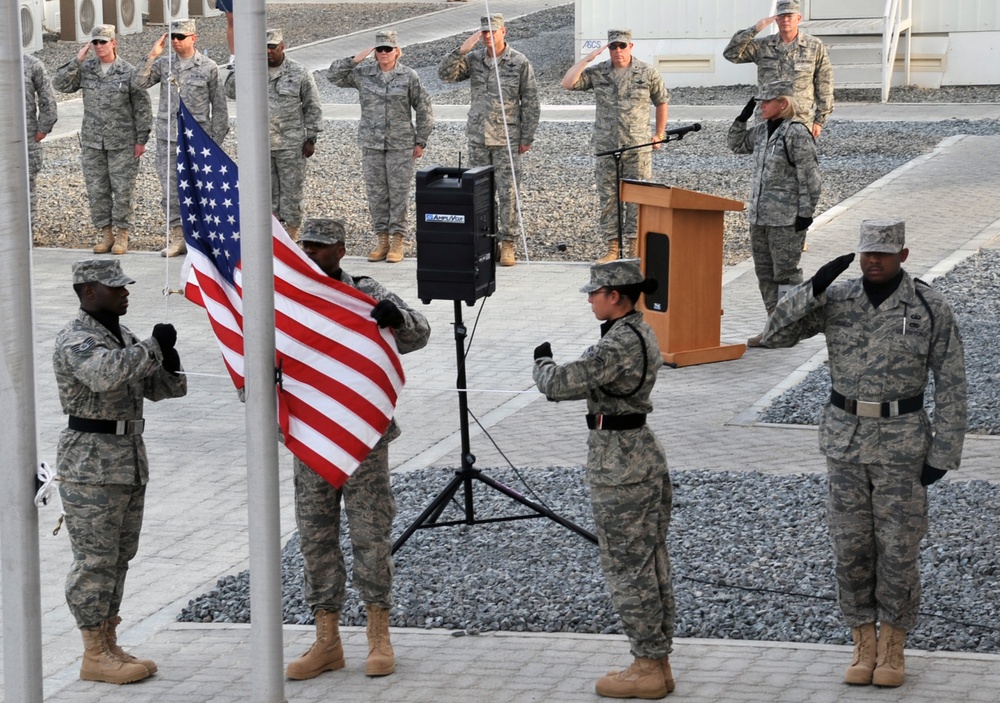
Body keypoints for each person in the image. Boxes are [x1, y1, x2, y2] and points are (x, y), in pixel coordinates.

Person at [761, 220, 967, 688]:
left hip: (902, 445)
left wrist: (944, 451)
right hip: (845, 441)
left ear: (903, 254)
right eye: (867, 252)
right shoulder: (838, 299)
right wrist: (811, 287)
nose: (873, 260)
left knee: (898, 549)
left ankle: (893, 647)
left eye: (884, 253)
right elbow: (773, 334)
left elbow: (952, 381)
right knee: (850, 548)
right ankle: (862, 644)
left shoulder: (929, 306)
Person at [287, 218, 430, 681]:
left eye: (322, 247)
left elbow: (419, 334)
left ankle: (378, 635)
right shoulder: (287, 296)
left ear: (342, 250)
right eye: (306, 245)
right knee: (316, 538)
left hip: (363, 435)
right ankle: (327, 640)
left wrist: (395, 319)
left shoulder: (363, 291)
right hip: (310, 435)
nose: (311, 253)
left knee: (370, 535)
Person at [533, 260, 675, 700]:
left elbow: (558, 384)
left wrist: (541, 360)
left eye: (594, 293)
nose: (590, 299)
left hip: (621, 465)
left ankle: (647, 664)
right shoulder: (638, 329)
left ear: (614, 295)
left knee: (627, 566)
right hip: (640, 454)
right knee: (650, 560)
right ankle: (657, 660)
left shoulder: (617, 343)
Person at [53, 259, 187, 684]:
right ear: (88, 291)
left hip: (127, 460)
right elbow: (104, 375)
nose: (126, 292)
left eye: (125, 286)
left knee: (119, 558)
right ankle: (93, 652)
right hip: (91, 463)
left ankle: (109, 642)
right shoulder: (76, 340)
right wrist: (151, 348)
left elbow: (163, 390)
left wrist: (168, 359)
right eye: (116, 288)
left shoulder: (122, 336)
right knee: (94, 560)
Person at [438, 13, 539, 267]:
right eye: (483, 32)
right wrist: (461, 50)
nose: (487, 36)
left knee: (508, 193)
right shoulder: (473, 60)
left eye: (492, 31)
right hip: (478, 138)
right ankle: (485, 243)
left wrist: (526, 136)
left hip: (507, 138)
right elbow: (445, 75)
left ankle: (508, 243)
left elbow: (531, 101)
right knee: (480, 194)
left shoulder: (518, 62)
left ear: (503, 32)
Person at [561, 29, 669, 264]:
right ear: (608, 49)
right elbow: (568, 83)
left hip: (636, 147)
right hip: (607, 146)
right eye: (613, 47)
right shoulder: (599, 72)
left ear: (631, 47)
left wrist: (659, 134)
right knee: (609, 198)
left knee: (638, 198)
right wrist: (588, 59)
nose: (618, 51)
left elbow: (661, 101)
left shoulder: (647, 72)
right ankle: (612, 248)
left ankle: (634, 247)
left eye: (622, 46)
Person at [727, 80, 821, 346]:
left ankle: (789, 328)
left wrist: (806, 213)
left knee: (786, 274)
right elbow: (736, 144)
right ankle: (774, 326)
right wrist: (741, 118)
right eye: (760, 103)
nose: (762, 107)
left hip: (785, 219)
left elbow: (811, 178)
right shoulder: (760, 132)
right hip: (760, 216)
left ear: (783, 103)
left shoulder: (796, 134)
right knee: (765, 274)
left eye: (766, 102)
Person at [328, 30, 434, 263]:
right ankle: (382, 239)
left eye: (388, 49)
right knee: (376, 193)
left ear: (397, 51)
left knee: (398, 193)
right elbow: (333, 76)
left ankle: (398, 240)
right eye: (380, 49)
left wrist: (421, 140)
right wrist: (355, 59)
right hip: (372, 143)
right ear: (374, 52)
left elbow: (424, 107)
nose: (384, 53)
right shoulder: (363, 73)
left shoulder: (408, 76)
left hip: (400, 144)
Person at [52, 24, 150, 255]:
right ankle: (106, 234)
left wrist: (141, 139)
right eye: (94, 42)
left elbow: (142, 108)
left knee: (123, 190)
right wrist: (77, 60)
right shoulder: (86, 69)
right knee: (97, 190)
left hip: (122, 142)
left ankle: (122, 235)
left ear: (114, 43)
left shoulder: (128, 71)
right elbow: (60, 84)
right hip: (93, 142)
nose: (98, 46)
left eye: (102, 42)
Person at [135, 18, 229, 257]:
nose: (175, 42)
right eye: (173, 37)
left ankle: (203, 237)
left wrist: (215, 143)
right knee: (171, 190)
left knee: (202, 189)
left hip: (199, 141)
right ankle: (178, 237)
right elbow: (138, 83)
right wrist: (152, 55)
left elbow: (219, 107)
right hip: (169, 138)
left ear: (193, 38)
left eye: (180, 37)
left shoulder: (208, 66)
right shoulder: (164, 64)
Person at [224, 28, 323, 241]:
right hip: (259, 144)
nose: (267, 52)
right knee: (264, 190)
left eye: (271, 47)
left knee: (291, 190)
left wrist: (311, 137)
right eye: (263, 48)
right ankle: (270, 231)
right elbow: (230, 91)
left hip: (291, 143)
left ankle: (292, 232)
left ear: (282, 47)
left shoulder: (299, 72)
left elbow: (312, 105)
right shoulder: (252, 70)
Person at [723, 0, 834, 138]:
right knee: (766, 158)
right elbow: (731, 54)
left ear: (798, 18)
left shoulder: (814, 46)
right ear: (776, 19)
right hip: (768, 119)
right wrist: (754, 29)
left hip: (800, 119)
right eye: (781, 16)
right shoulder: (763, 46)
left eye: (789, 16)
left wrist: (820, 120)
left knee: (799, 159)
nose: (785, 20)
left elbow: (824, 83)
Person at [23, 52, 59, 215]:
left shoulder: (31, 64)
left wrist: (43, 129)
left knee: (25, 187)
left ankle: (26, 236)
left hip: (25, 139)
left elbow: (48, 99)